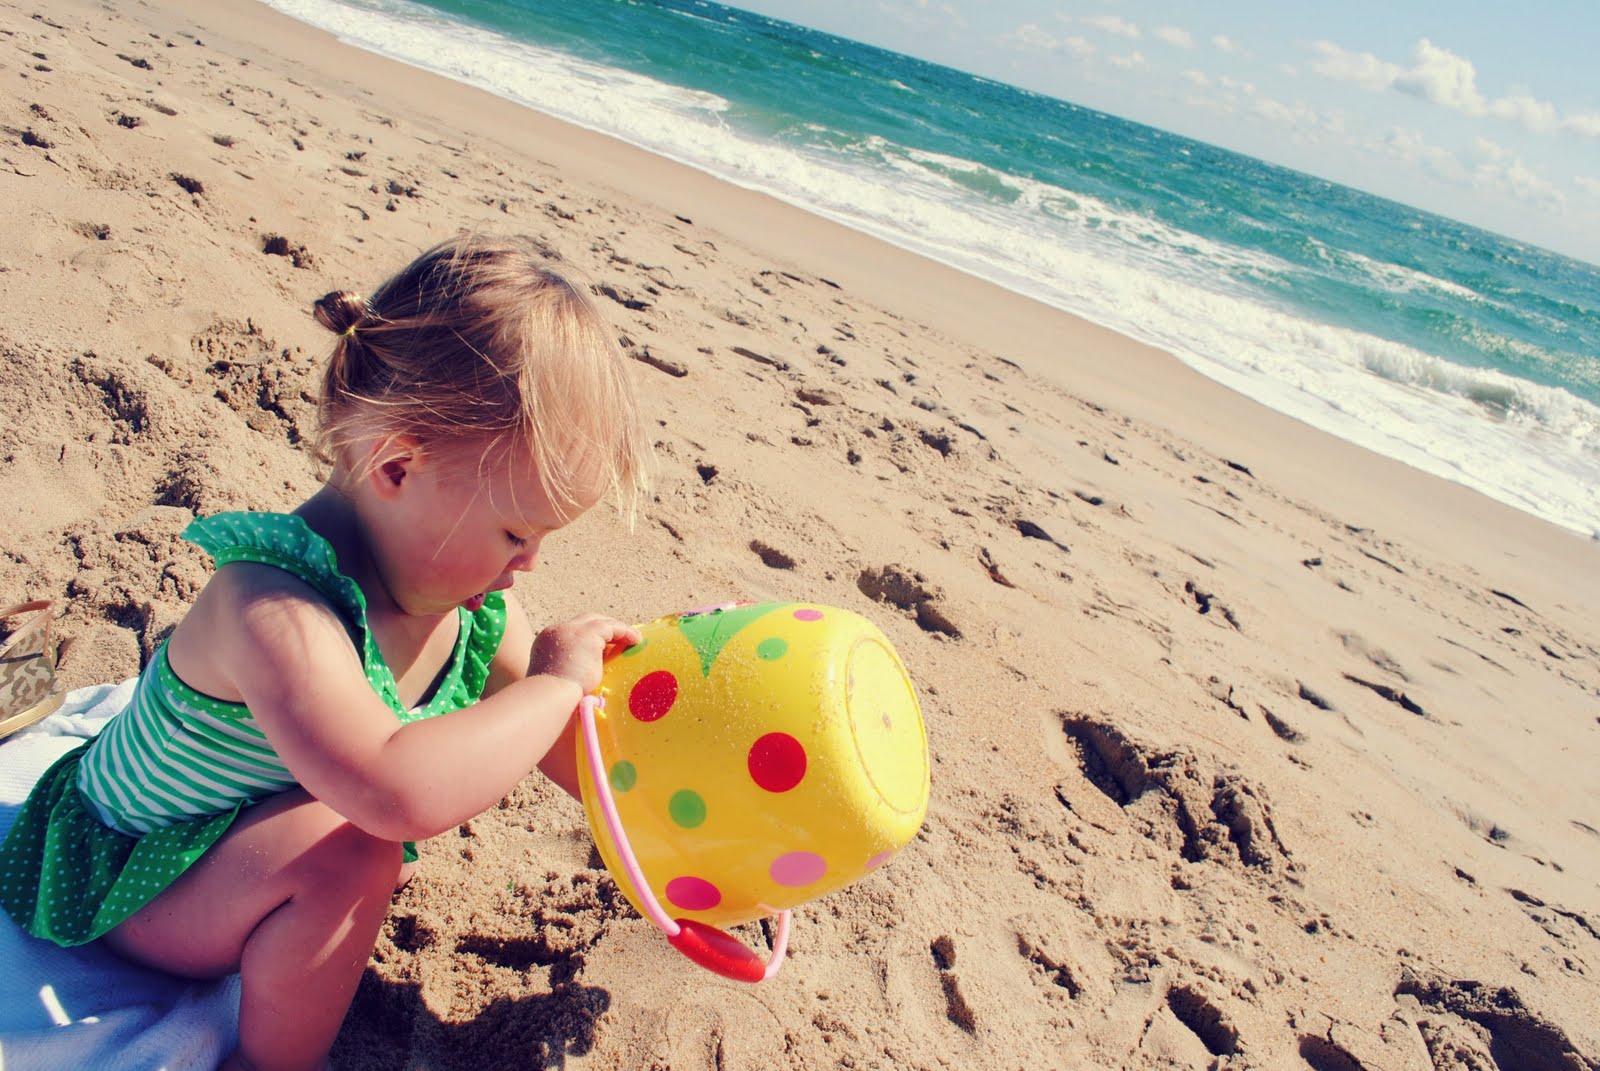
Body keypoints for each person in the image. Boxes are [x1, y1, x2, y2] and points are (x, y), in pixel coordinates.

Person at [0, 234, 650, 1071]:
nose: (528, 563)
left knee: (349, 840)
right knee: (349, 851)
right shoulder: (271, 605)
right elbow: (394, 790)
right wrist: (554, 685)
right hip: (126, 880)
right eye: (516, 532)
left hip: (229, 858)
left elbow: (574, 744)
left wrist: (685, 815)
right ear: (397, 466)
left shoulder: (471, 602)